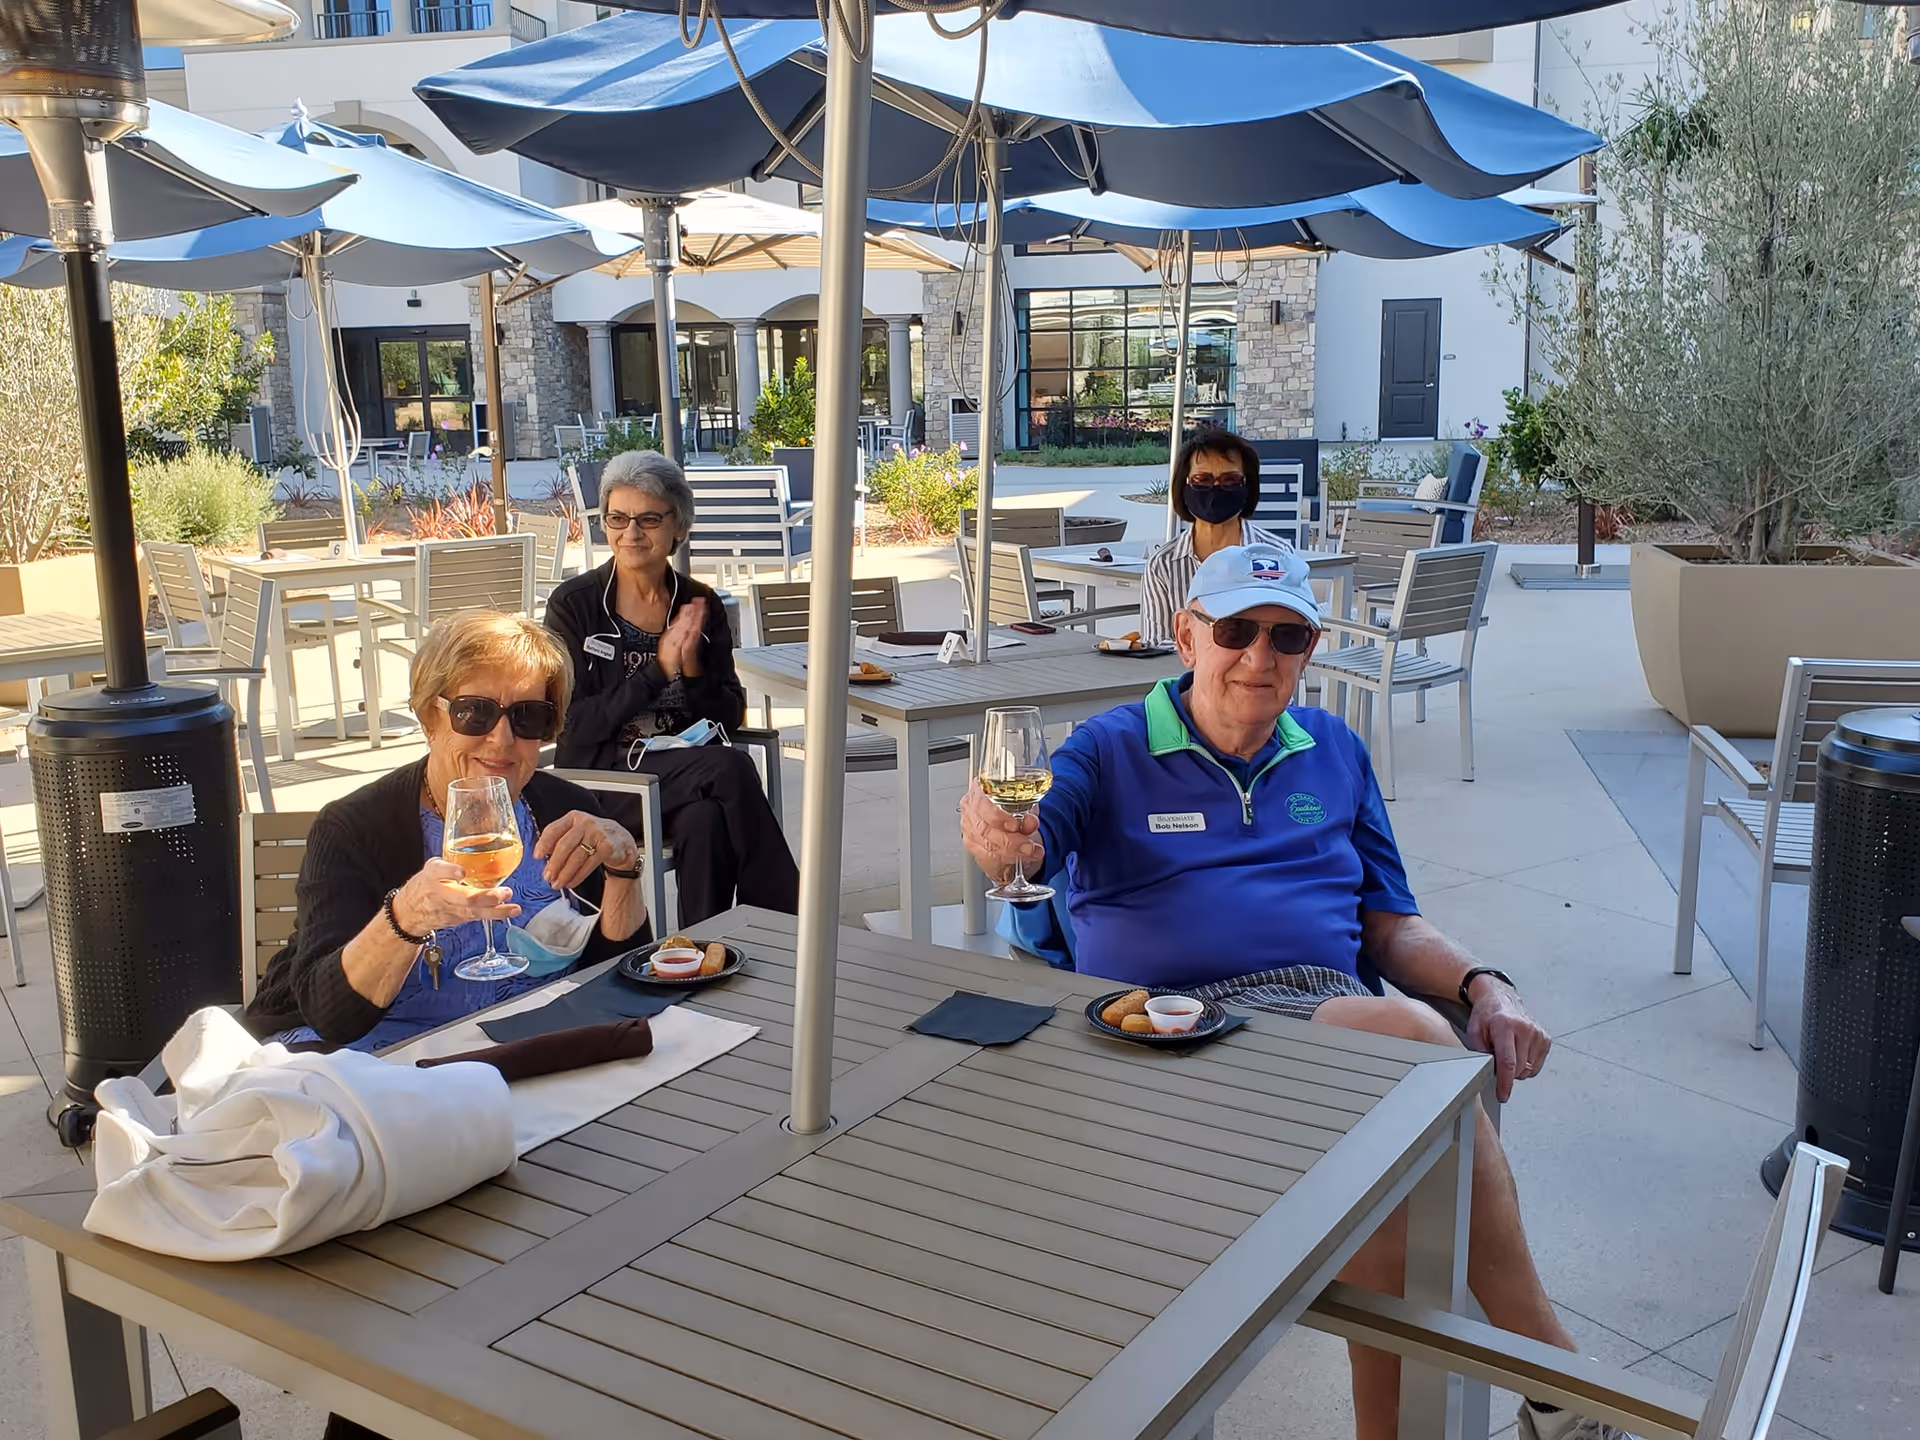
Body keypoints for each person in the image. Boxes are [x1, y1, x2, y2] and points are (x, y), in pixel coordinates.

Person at [960, 544, 1635, 1440]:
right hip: (1167, 1030)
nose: (1260, 656)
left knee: (1399, 1198)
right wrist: (1006, 840)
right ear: (1186, 635)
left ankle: (1495, 1412)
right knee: (1412, 1051)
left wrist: (1485, 984)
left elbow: (1389, 923)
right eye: (1236, 630)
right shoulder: (1111, 748)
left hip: (1318, 1021)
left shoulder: (1335, 752)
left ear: (1311, 649)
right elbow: (1032, 831)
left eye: (1288, 636)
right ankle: (1560, 1386)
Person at [245, 611, 650, 1052]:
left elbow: (618, 979)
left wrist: (623, 869)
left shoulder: (565, 810)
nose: (502, 739)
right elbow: (334, 1016)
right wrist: (405, 917)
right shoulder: (353, 827)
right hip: (385, 1061)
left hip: (528, 1051)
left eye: (528, 716)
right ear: (429, 718)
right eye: (474, 713)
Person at [543, 450, 799, 926]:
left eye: (648, 519)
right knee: (731, 768)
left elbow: (727, 716)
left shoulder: (700, 603)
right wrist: (657, 672)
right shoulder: (574, 606)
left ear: (679, 526)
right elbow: (573, 725)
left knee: (704, 819)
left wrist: (694, 670)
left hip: (686, 773)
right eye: (617, 518)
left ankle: (702, 947)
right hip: (607, 782)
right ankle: (788, 917)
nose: (631, 533)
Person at [1138, 427, 1297, 645]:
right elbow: (1157, 645)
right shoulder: (1163, 565)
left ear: (1247, 486)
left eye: (1230, 480)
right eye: (1202, 480)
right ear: (1184, 486)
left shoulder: (1278, 556)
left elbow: (1287, 637)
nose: (1215, 488)